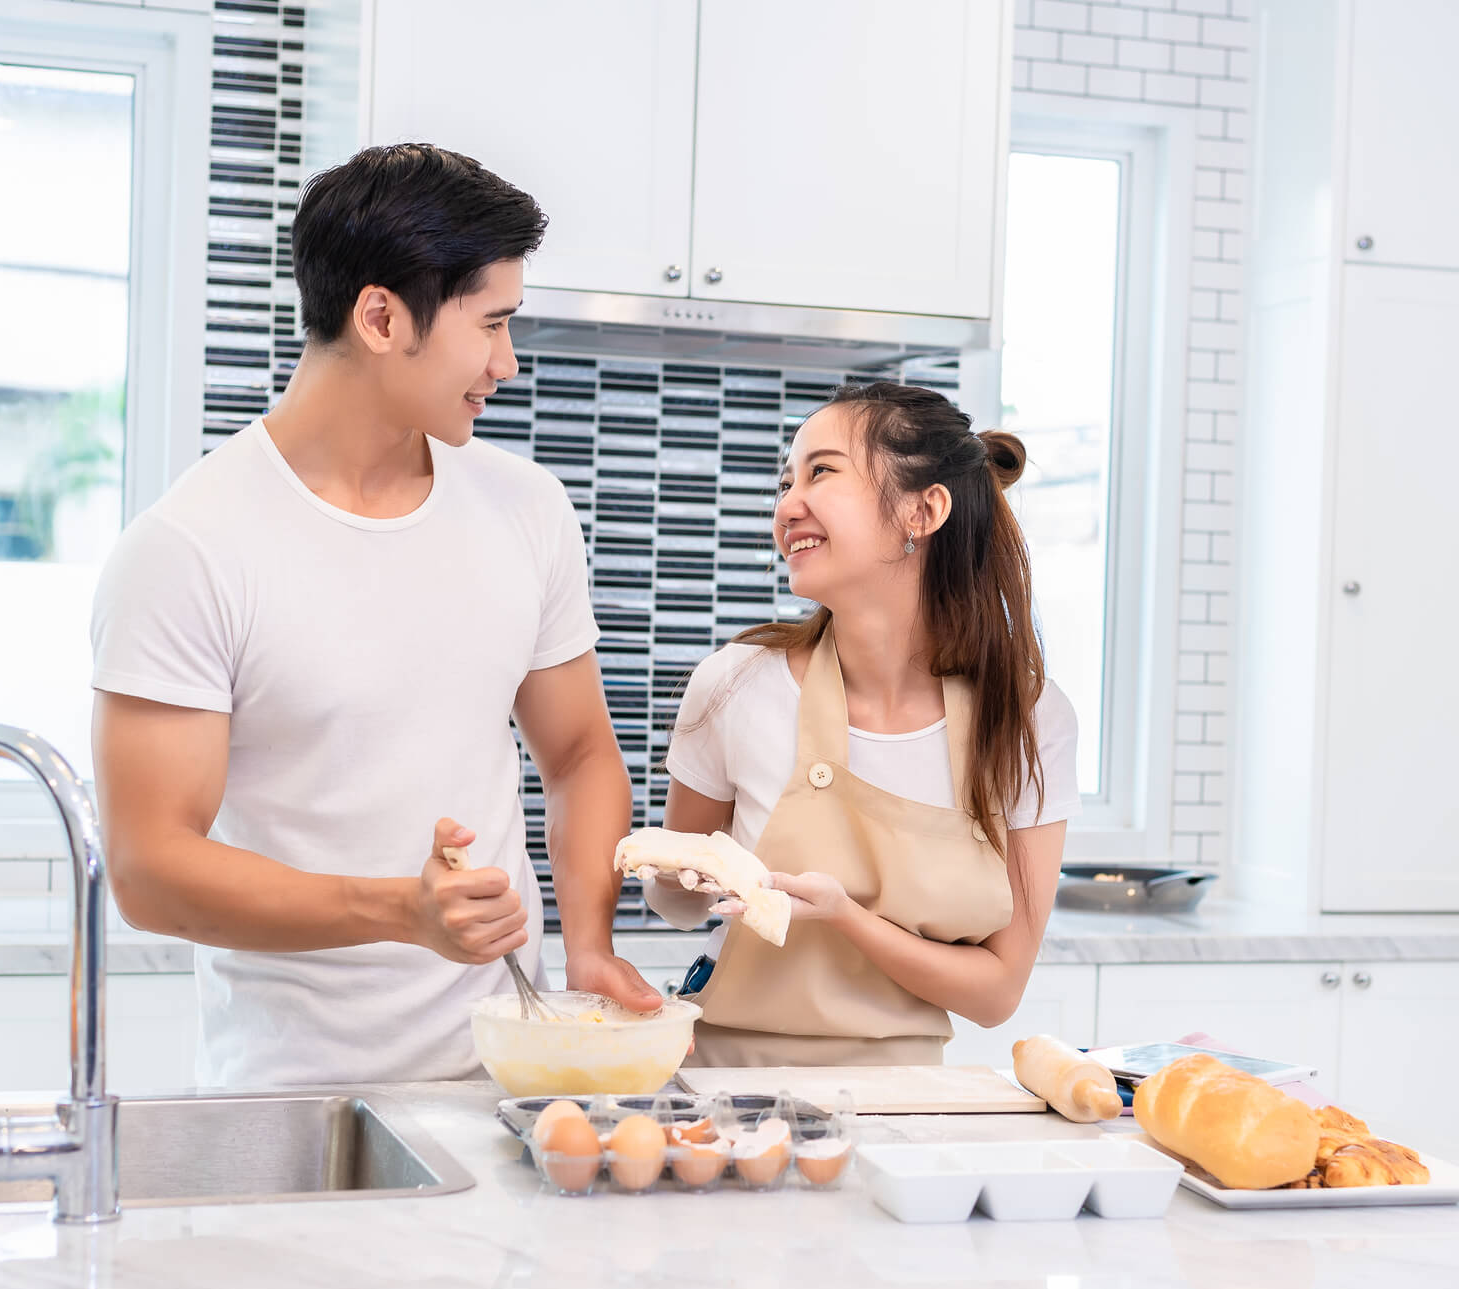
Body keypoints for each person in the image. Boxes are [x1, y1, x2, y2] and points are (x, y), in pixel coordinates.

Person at [89, 144, 660, 1088]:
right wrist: (405, 911)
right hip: (290, 1110)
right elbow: (151, 869)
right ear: (383, 316)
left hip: (506, 1091)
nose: (507, 365)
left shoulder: (527, 510)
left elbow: (580, 754)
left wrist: (589, 944)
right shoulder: (188, 549)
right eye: (493, 325)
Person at [648, 381, 1082, 1066]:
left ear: (922, 509)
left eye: (821, 471)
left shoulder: (1026, 717)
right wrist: (680, 872)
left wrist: (846, 918)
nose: (787, 504)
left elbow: (997, 992)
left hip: (907, 1103)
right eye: (786, 480)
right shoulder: (735, 683)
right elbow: (671, 904)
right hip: (725, 1088)